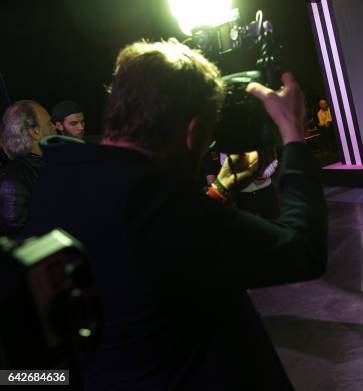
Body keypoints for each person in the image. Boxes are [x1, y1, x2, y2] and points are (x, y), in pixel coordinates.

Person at [26, 39, 327, 390]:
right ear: (192, 132)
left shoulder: (59, 181)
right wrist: (292, 134)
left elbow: (156, 264)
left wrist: (222, 189)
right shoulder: (158, 204)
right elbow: (301, 250)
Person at [0, 100, 56, 237]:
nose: (55, 127)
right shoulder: (13, 180)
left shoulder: (52, 164)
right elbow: (18, 235)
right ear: (35, 132)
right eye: (49, 123)